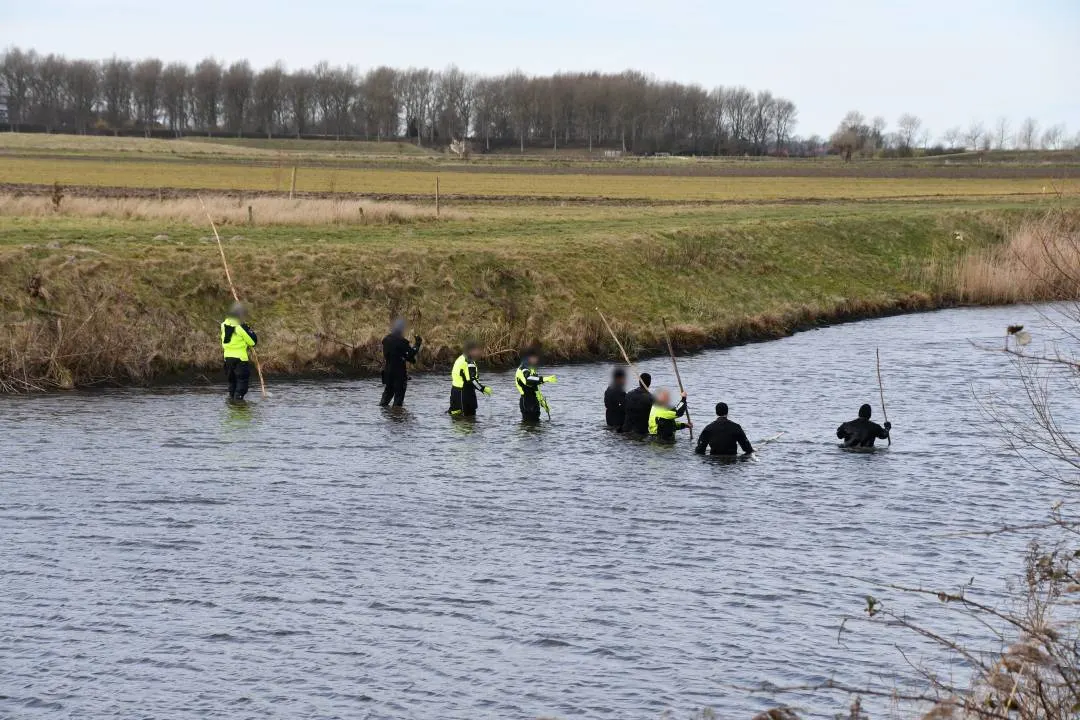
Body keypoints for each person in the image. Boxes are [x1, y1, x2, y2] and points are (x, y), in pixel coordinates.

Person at [380, 318, 422, 407]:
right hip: (399, 375)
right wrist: (417, 344)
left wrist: (409, 358)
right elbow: (411, 352)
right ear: (401, 329)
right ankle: (397, 418)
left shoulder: (386, 340)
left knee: (385, 398)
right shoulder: (401, 342)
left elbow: (397, 353)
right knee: (398, 401)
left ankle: (383, 417)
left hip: (388, 373)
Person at [221, 301, 258, 402]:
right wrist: (249, 330)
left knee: (232, 382)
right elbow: (252, 342)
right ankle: (239, 404)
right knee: (242, 383)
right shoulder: (240, 327)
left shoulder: (223, 325)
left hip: (227, 358)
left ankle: (232, 404)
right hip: (240, 359)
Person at [449, 341, 492, 417]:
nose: (478, 352)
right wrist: (483, 389)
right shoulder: (469, 362)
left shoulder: (461, 358)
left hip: (455, 391)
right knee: (468, 417)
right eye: (477, 350)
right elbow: (472, 381)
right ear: (471, 351)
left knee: (455, 415)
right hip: (465, 393)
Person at [515, 348, 557, 422]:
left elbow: (536, 387)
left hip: (535, 402)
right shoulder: (522, 369)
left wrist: (542, 402)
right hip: (526, 402)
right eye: (535, 358)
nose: (537, 360)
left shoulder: (532, 369)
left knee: (537, 426)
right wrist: (544, 379)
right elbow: (528, 380)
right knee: (529, 425)